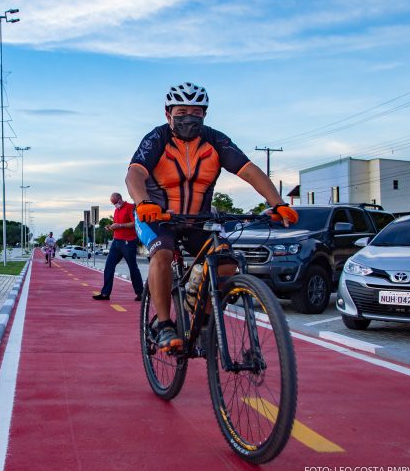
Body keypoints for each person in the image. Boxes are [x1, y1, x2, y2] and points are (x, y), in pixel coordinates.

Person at [126, 82, 298, 352]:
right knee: (162, 253)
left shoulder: (216, 140)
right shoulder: (156, 138)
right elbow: (134, 173)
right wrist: (143, 202)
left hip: (197, 219)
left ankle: (203, 321)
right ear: (167, 113)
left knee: (226, 261)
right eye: (181, 112)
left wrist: (278, 204)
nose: (188, 118)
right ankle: (163, 324)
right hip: (156, 216)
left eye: (196, 113)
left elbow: (249, 171)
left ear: (204, 114)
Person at [93, 193, 145, 301]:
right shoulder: (116, 210)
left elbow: (135, 223)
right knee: (108, 266)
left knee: (132, 267)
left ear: (120, 199)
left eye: (115, 203)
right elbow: (117, 223)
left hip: (128, 242)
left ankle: (140, 293)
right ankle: (105, 293)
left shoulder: (130, 207)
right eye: (112, 204)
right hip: (116, 241)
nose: (114, 205)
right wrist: (111, 227)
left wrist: (120, 225)